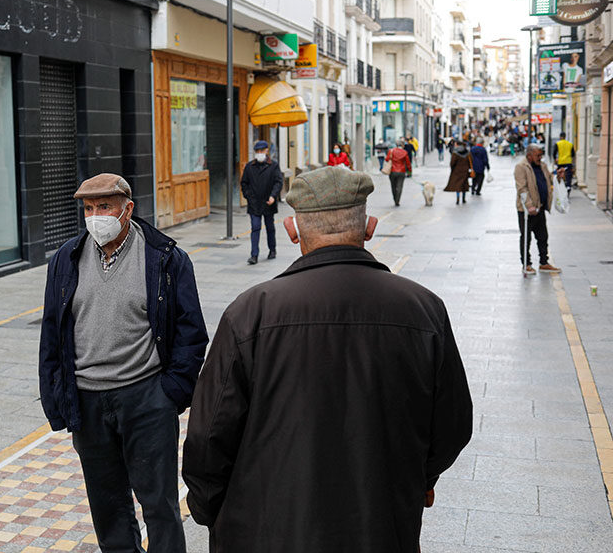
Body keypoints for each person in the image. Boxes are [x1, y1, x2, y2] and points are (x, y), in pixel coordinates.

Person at [183, 166, 473, 553]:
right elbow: (453, 424)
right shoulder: (423, 309)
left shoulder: (250, 312)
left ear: (292, 230)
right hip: (381, 528)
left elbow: (209, 434)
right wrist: (417, 479)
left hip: (265, 530)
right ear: (369, 226)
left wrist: (211, 509)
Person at [39, 173, 208, 553]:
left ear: (127, 209)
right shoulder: (66, 260)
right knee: (108, 507)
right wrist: (57, 399)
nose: (95, 216)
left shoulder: (165, 258)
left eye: (104, 207)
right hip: (88, 402)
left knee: (160, 505)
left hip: (146, 398)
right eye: (88, 208)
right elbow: (52, 332)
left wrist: (171, 394)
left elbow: (191, 331)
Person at [515, 144, 562, 274]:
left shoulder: (542, 166)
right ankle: (526, 264)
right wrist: (529, 205)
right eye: (537, 155)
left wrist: (557, 176)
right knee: (526, 237)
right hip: (526, 210)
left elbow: (549, 179)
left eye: (541, 155)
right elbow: (522, 188)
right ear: (529, 155)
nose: (540, 158)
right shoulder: (521, 167)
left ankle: (544, 263)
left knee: (543, 236)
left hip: (540, 207)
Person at [241, 140, 283, 264]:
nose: (259, 153)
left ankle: (272, 249)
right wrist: (249, 196)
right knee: (255, 227)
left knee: (270, 227)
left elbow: (278, 182)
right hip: (254, 203)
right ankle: (254, 255)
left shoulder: (273, 165)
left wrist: (273, 196)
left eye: (261, 151)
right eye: (257, 151)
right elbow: (244, 183)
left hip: (268, 201)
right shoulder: (250, 166)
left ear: (266, 151)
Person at [445, 139, 472, 205]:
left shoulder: (455, 153)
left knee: (458, 184)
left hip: (457, 171)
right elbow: (470, 161)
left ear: (457, 145)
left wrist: (452, 168)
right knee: (464, 184)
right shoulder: (467, 152)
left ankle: (457, 199)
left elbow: (452, 163)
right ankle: (463, 198)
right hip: (465, 170)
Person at [385, 139, 412, 206]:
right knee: (399, 186)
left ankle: (395, 199)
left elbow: (387, 159)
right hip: (402, 171)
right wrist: (409, 171)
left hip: (393, 171)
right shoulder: (404, 152)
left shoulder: (391, 151)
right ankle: (397, 200)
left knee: (393, 186)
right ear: (402, 145)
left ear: (396, 145)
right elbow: (408, 163)